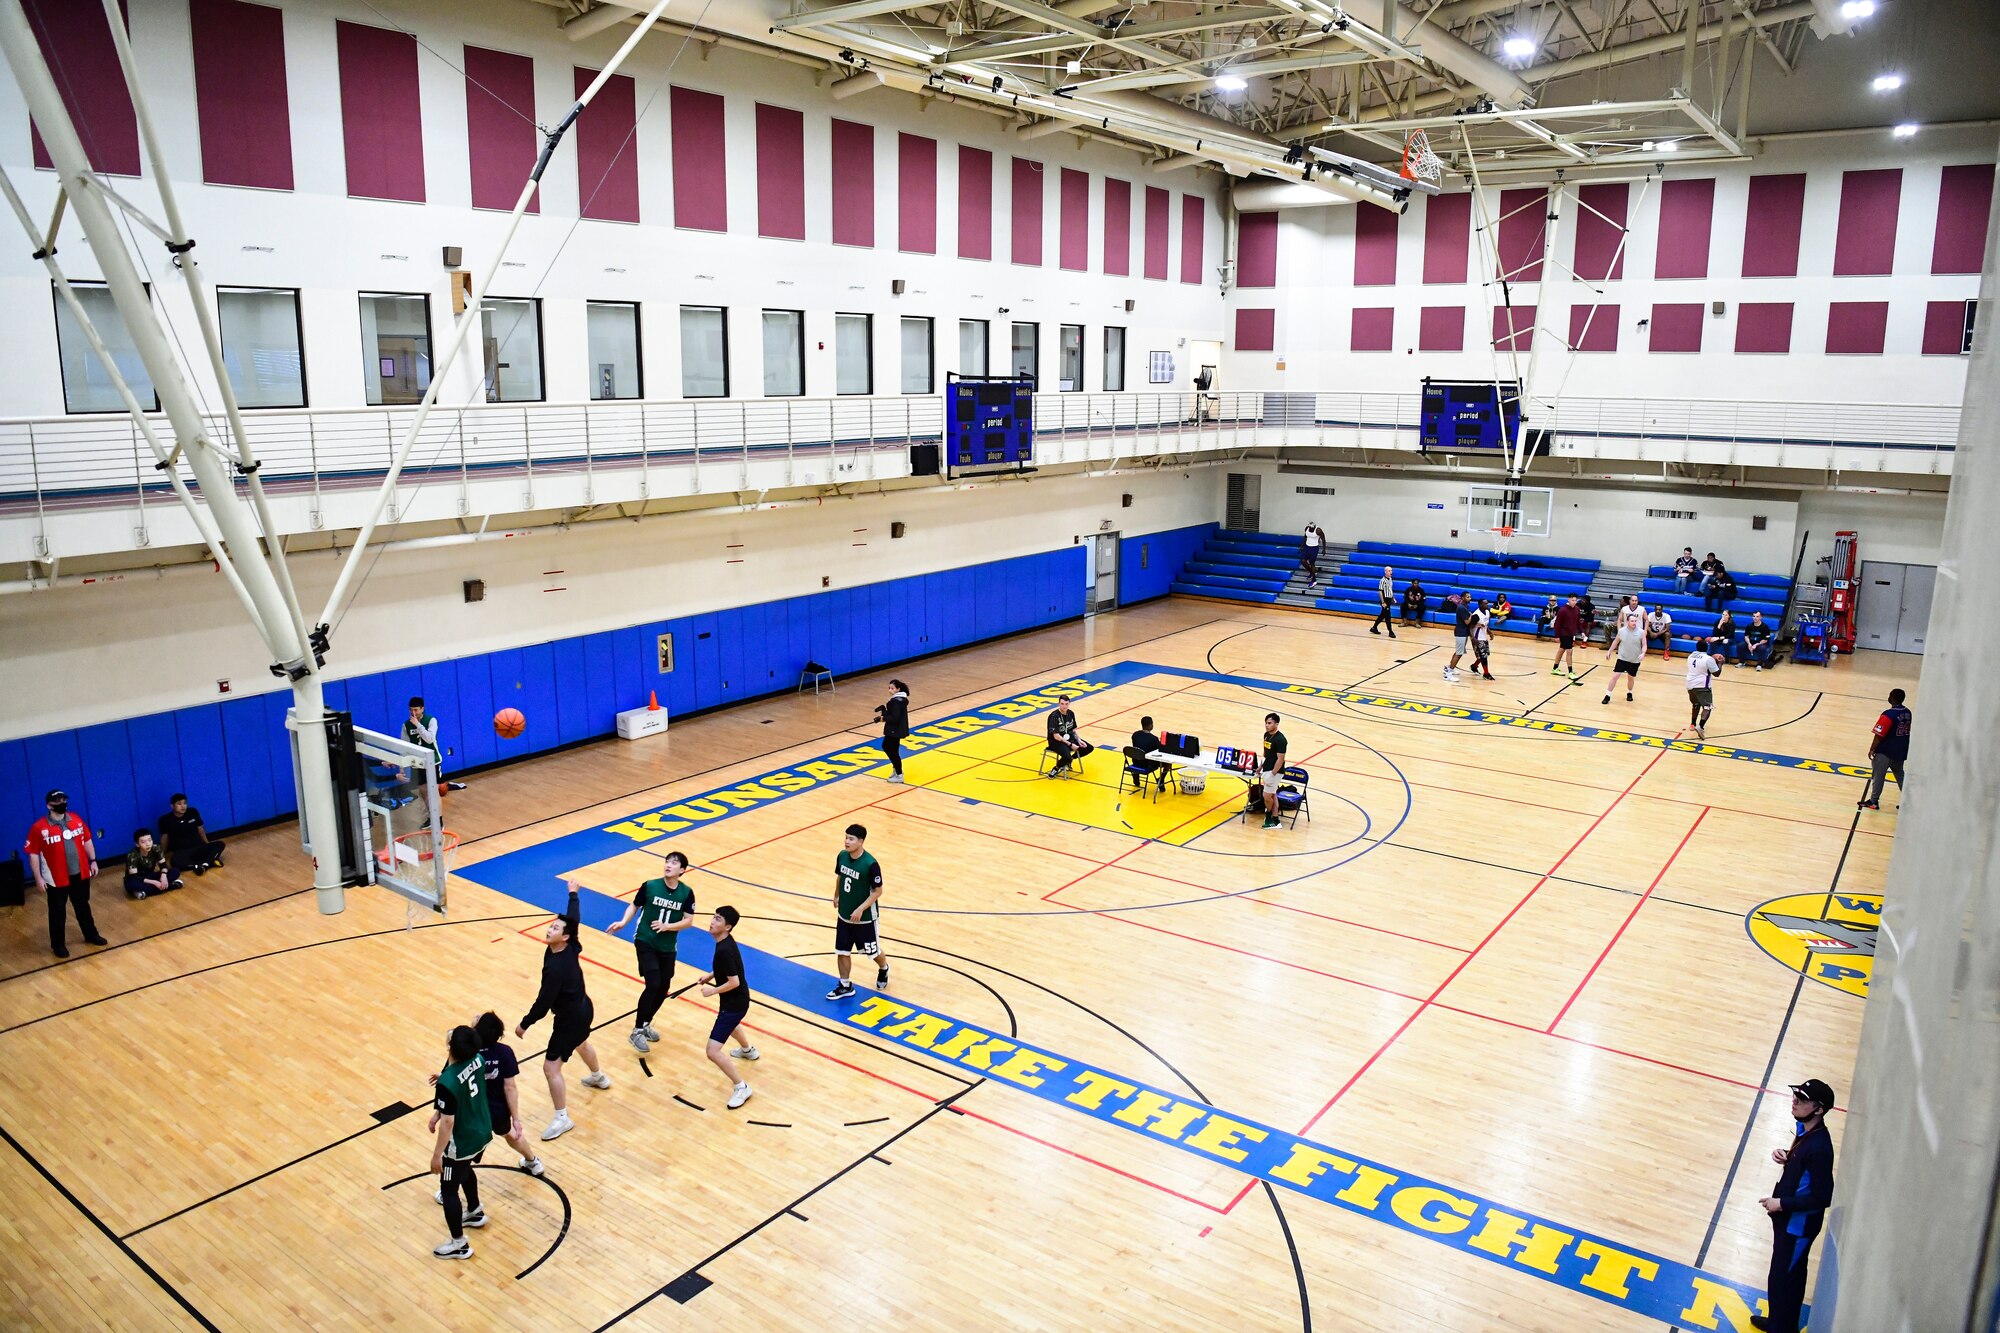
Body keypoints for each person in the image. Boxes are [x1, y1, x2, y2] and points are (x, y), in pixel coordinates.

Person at [516, 880, 610, 1142]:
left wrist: (525, 1024)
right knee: (581, 1042)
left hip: (570, 1017)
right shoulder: (571, 944)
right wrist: (573, 895)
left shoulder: (557, 967)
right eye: (550, 925)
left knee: (550, 1067)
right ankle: (598, 1076)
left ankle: (562, 1117)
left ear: (564, 936)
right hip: (583, 1008)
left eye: (555, 928)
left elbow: (544, 1002)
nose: (549, 929)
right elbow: (574, 919)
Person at [1752, 1079, 1836, 1332]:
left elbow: (1824, 1197)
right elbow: (1805, 1172)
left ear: (1819, 1109)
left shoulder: (1819, 1147)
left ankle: (1781, 1328)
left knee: (1783, 1280)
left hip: (1797, 1227)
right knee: (1787, 1276)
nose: (1795, 1101)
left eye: (1802, 1099)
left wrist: (1781, 1203)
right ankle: (1781, 1322)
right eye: (1795, 1096)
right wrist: (1787, 1157)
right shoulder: (1805, 1130)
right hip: (1788, 1222)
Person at [606, 851, 698, 1054]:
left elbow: (689, 920)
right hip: (645, 940)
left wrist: (668, 926)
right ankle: (637, 1030)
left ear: (682, 870)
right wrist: (623, 922)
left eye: (674, 863)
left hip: (667, 946)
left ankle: (646, 1023)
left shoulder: (687, 892)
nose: (668, 865)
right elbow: (634, 905)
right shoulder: (650, 885)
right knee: (653, 983)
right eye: (667, 861)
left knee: (664, 985)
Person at [428, 1024, 493, 1261]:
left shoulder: (448, 1081)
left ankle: (459, 1244)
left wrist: (437, 1155)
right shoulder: (477, 1059)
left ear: (452, 1046)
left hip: (462, 1140)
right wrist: (441, 1102)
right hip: (482, 1130)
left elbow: (448, 1123)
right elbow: (460, 1084)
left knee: (448, 1189)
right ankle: (474, 1211)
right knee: (464, 1169)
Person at [24, 790, 105, 958]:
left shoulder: (76, 819)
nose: (62, 802)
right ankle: (58, 945)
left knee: (83, 906)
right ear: (49, 805)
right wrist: (38, 878)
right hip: (56, 878)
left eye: (63, 799)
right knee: (57, 911)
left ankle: (91, 935)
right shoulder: (39, 827)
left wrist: (93, 860)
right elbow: (33, 854)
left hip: (80, 873)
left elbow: (87, 839)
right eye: (57, 800)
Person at [471, 1011, 546, 1178]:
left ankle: (448, 1189)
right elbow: (510, 1087)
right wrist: (516, 1119)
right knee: (511, 1133)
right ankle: (532, 1161)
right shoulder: (504, 1052)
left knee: (462, 1152)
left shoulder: (467, 1052)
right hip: (498, 1112)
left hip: (474, 1113)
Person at [700, 906, 757, 1110]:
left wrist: (712, 991)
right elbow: (727, 969)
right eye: (713, 917)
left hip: (734, 1004)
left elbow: (734, 982)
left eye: (718, 920)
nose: (713, 922)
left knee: (712, 1051)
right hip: (737, 1002)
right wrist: (711, 975)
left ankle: (741, 1087)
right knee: (731, 1026)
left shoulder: (724, 950)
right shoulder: (725, 943)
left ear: (728, 927)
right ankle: (748, 1050)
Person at [826, 823, 889, 999]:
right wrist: (837, 895)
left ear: (861, 841)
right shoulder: (842, 856)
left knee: (872, 952)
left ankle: (884, 968)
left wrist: (861, 908)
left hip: (865, 918)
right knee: (842, 951)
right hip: (844, 916)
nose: (847, 842)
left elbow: (878, 891)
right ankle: (845, 985)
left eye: (851, 839)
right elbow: (840, 876)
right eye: (846, 837)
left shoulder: (870, 864)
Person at [1859, 687, 1911, 811]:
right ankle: (1909, 801)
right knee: (1900, 774)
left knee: (1878, 776)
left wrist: (1872, 749)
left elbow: (1879, 734)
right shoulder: (1908, 712)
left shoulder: (1888, 714)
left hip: (1885, 751)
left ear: (1892, 698)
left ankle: (1873, 801)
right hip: (1901, 750)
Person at [404, 696, 468, 793]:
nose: (413, 713)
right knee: (422, 790)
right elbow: (404, 746)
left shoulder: (431, 720)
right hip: (417, 763)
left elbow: (429, 739)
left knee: (438, 791)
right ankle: (428, 808)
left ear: (422, 709)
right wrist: (402, 768)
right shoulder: (406, 725)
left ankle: (447, 787)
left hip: (432, 761)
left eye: (416, 710)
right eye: (411, 710)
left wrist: (418, 725)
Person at [157, 794, 225, 876]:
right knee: (175, 863)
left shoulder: (192, 812)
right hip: (183, 852)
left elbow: (200, 829)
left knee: (220, 844)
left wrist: (207, 844)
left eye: (185, 803)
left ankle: (204, 864)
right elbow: (164, 838)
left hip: (199, 847)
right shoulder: (165, 820)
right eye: (179, 804)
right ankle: (208, 862)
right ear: (172, 806)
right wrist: (162, 856)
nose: (183, 806)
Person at [1252, 713, 1288, 830]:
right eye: (1266, 723)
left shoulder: (1281, 740)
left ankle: (1269, 817)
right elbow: (1265, 754)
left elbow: (1280, 759)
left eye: (1269, 723)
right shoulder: (1266, 735)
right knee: (1273, 795)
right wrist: (1260, 766)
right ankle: (1276, 820)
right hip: (1267, 769)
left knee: (1266, 796)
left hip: (1275, 772)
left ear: (1276, 724)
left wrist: (1272, 773)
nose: (1267, 726)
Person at [1602, 612, 1647, 706]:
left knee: (1630, 678)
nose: (1634, 622)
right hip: (1622, 658)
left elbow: (1644, 644)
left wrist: (1643, 653)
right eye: (1632, 621)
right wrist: (1609, 651)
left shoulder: (1641, 632)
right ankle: (1607, 695)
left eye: (1635, 621)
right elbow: (1616, 641)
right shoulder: (1621, 631)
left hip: (1634, 660)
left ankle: (1629, 692)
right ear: (1627, 621)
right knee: (1615, 676)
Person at [123, 829, 182, 899]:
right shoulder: (132, 855)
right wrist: (154, 882)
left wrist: (164, 876)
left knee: (175, 871)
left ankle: (143, 892)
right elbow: (134, 876)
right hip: (137, 879)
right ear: (137, 844)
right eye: (143, 842)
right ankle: (171, 886)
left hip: (150, 875)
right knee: (131, 885)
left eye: (149, 840)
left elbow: (163, 865)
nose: (148, 844)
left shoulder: (156, 848)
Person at [1044, 694, 1094, 777]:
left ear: (1069, 704)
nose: (1064, 706)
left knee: (1088, 748)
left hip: (1069, 738)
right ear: (1059, 704)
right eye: (1062, 704)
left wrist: (1079, 740)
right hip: (1056, 742)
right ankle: (1056, 768)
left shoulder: (1071, 713)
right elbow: (1056, 736)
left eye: (1066, 704)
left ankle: (1070, 760)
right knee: (1067, 756)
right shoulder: (1054, 716)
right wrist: (1070, 744)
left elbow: (1073, 729)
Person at [1685, 637, 1723, 740]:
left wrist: (1712, 658)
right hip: (1702, 685)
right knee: (1707, 707)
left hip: (1689, 684)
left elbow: (1701, 661)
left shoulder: (1691, 656)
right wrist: (1720, 663)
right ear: (1707, 648)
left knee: (1695, 704)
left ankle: (1692, 724)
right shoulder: (1708, 659)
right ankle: (1700, 726)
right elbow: (1717, 673)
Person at [875, 679, 911, 784]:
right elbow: (894, 714)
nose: (890, 690)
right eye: (889, 688)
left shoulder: (896, 701)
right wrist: (884, 711)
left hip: (895, 729)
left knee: (889, 748)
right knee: (891, 749)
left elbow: (894, 717)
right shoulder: (900, 699)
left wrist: (883, 718)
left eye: (892, 688)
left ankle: (899, 774)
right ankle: (897, 770)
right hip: (897, 729)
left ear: (898, 689)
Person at [1129, 715, 1168, 791]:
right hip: (1147, 764)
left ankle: (1135, 774)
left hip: (1136, 762)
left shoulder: (1135, 735)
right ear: (1150, 725)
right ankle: (1161, 780)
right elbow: (1160, 750)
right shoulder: (1153, 739)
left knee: (1139, 755)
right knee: (1167, 764)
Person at [1550, 594, 1583, 678]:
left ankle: (1555, 668)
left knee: (1561, 650)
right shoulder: (1563, 610)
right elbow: (1557, 623)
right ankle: (1570, 672)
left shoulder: (1577, 609)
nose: (1574, 602)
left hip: (1571, 634)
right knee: (1569, 651)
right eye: (1572, 600)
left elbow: (1578, 622)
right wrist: (1557, 636)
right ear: (1568, 599)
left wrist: (1582, 631)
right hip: (1564, 633)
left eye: (1575, 600)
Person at [1443, 593, 1472, 683]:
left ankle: (1449, 667)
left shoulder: (1465, 607)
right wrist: (1472, 615)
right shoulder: (1462, 608)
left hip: (1463, 632)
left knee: (1458, 651)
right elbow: (1467, 622)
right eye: (1468, 597)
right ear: (1463, 598)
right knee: (1459, 653)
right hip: (1461, 632)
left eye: (1470, 597)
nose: (1470, 598)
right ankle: (1448, 674)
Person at [1467, 600, 1495, 681]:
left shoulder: (1487, 612)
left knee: (1483, 655)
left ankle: (1474, 666)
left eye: (1487, 603)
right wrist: (1473, 638)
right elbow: (1470, 627)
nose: (1487, 604)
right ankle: (1486, 674)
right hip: (1477, 638)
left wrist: (1490, 632)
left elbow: (1485, 625)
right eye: (1485, 603)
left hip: (1484, 636)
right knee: (1483, 656)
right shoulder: (1476, 615)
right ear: (1480, 604)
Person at [1369, 565, 1397, 638]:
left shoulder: (1390, 579)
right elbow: (1380, 592)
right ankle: (1390, 631)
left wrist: (1393, 598)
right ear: (1385, 572)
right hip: (1385, 600)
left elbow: (1391, 589)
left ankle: (1374, 628)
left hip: (1389, 599)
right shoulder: (1382, 580)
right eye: (1389, 571)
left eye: (1391, 570)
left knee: (1382, 615)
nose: (1391, 572)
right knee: (1388, 616)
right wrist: (1383, 602)